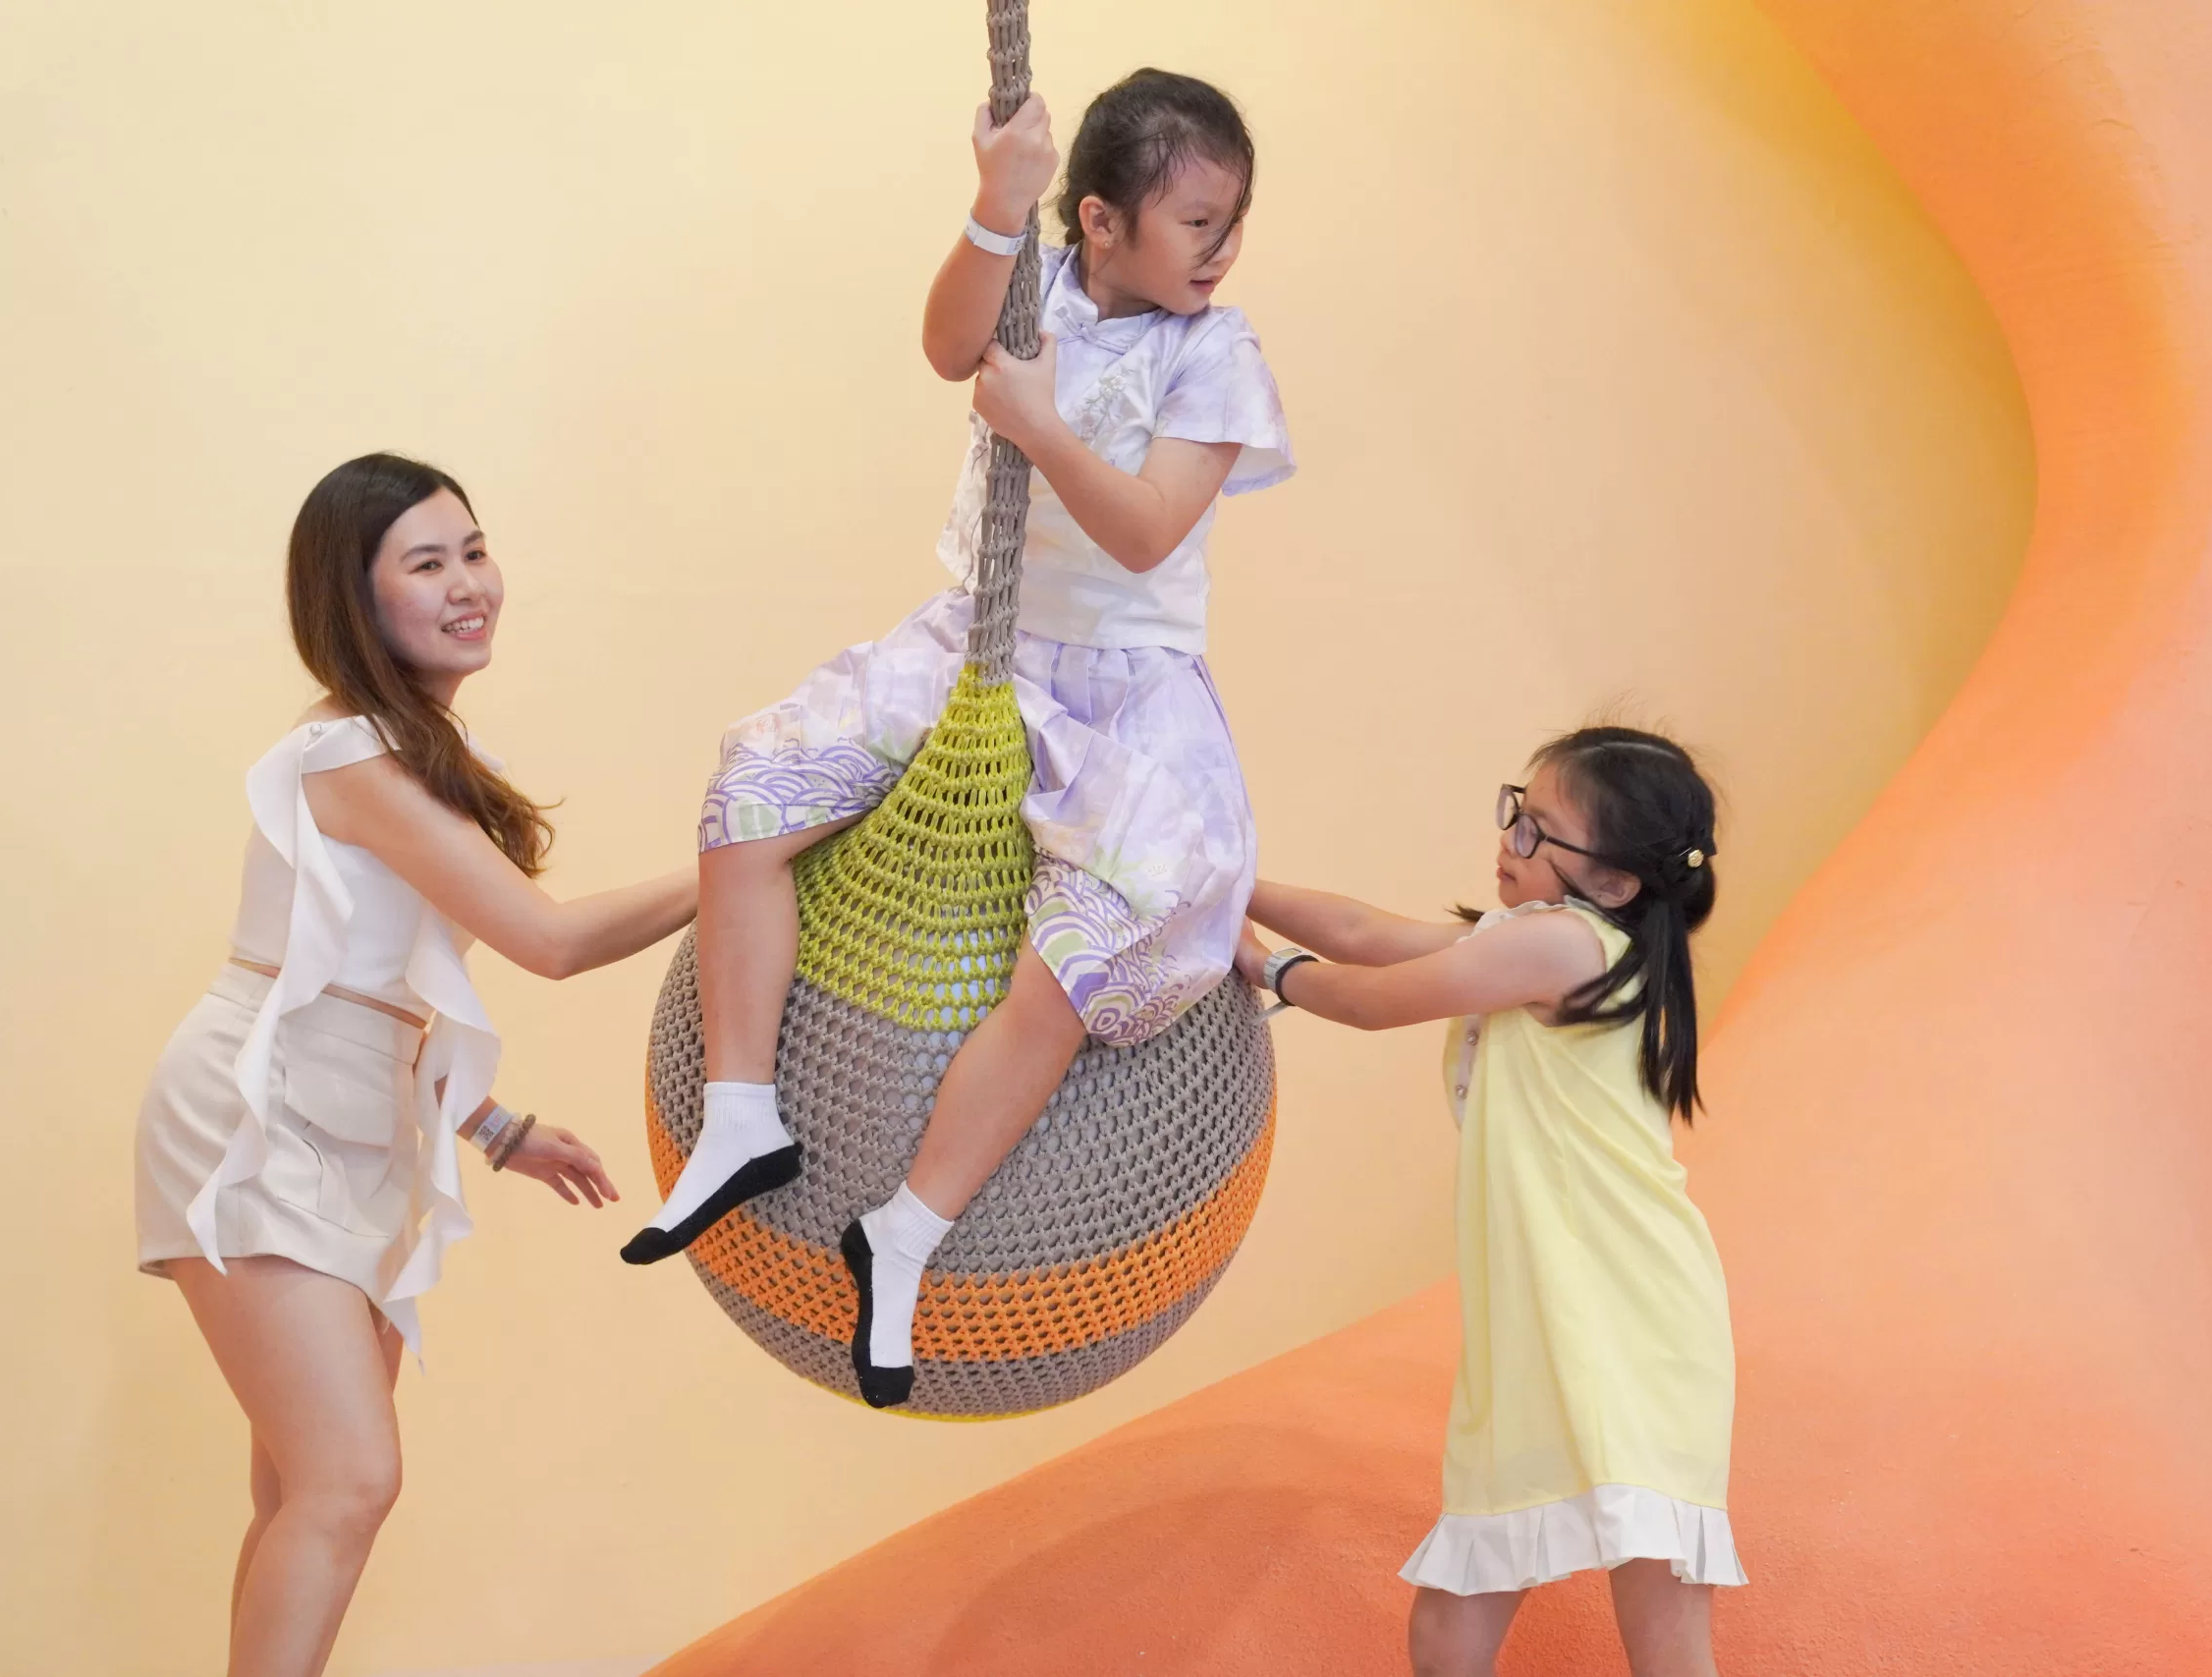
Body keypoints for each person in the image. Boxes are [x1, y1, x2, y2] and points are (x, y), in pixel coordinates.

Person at [622, 70, 1295, 1411]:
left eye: (1234, 223)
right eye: (1197, 223)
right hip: (970, 649)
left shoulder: (1214, 354)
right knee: (750, 798)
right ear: (1099, 221)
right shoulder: (1037, 286)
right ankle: (742, 1111)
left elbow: (1149, 530)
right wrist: (997, 204)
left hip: (1119, 699)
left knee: (1075, 964)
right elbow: (946, 344)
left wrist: (1034, 420)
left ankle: (909, 1228)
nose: (1224, 250)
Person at [134, 453, 697, 1676]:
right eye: (427, 564)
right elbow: (548, 943)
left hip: (349, 1117)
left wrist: (493, 1128)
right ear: (356, 597)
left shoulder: (414, 746)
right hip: (253, 1116)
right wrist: (739, 863)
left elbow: (381, 986)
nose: (468, 585)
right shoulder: (350, 759)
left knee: (301, 1493)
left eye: (474, 552)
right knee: (348, 1481)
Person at [1241, 726, 1745, 1677]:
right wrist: (1231, 885)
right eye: (1517, 812)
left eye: (1537, 831)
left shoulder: (1563, 947)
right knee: (1448, 1634)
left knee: (1664, 1640)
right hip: (1545, 1323)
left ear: (1613, 883)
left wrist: (1263, 965)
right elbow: (1363, 934)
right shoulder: (1543, 939)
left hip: (1631, 1321)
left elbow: (1373, 996)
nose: (1509, 841)